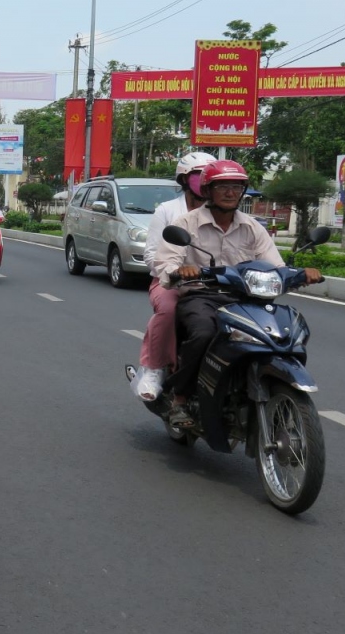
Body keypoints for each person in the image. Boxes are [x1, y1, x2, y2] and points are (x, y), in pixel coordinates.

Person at [152, 160, 323, 427]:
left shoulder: (253, 227)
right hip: (202, 297)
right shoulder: (187, 223)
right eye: (223, 186)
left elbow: (275, 264)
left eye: (236, 186)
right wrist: (181, 270)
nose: (231, 192)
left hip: (246, 300)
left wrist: (302, 273)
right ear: (207, 190)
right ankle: (180, 399)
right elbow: (166, 263)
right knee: (204, 334)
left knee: (285, 334)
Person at [129, 151, 215, 401]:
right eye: (199, 176)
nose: (206, 182)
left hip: (215, 284)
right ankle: (154, 368)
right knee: (168, 309)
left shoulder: (221, 210)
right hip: (171, 282)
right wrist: (175, 273)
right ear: (185, 180)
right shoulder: (168, 211)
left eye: (210, 177)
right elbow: (151, 254)